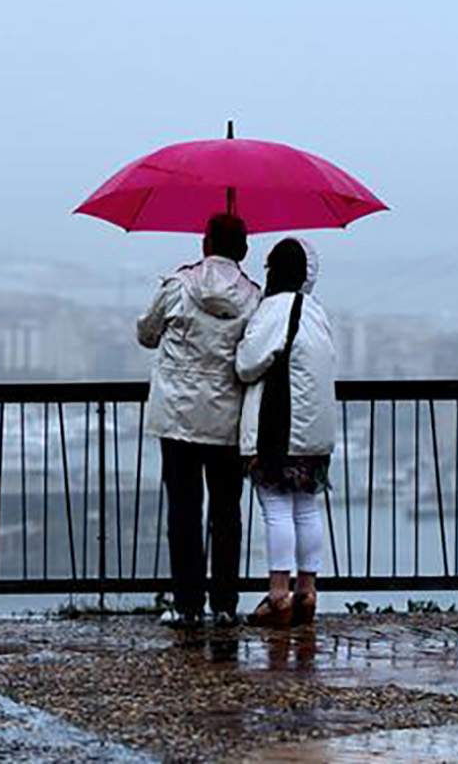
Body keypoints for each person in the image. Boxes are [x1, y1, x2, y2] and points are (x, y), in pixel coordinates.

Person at [137, 212, 261, 627]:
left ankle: (187, 604)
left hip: (177, 417)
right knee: (227, 512)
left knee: (184, 511)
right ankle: (225, 603)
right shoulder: (253, 297)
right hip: (227, 420)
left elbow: (146, 334)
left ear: (204, 244)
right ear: (244, 250)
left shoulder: (178, 285)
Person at [235, 237, 336, 628]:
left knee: (276, 507)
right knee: (306, 507)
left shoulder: (274, 309)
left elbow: (248, 364)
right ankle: (307, 592)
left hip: (279, 427)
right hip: (315, 429)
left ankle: (278, 596)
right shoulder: (316, 311)